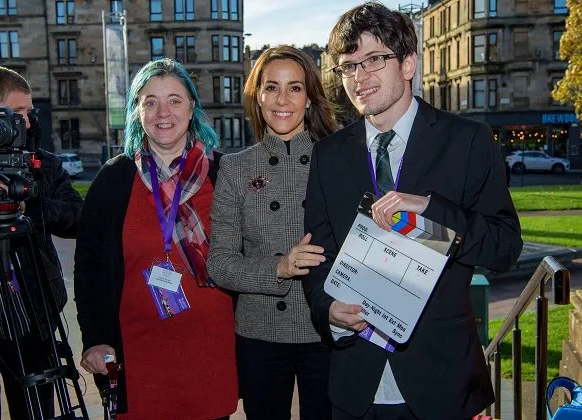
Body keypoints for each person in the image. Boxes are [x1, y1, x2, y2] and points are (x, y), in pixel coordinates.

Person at [302, 3, 523, 420]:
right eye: (348, 66)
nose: (359, 77)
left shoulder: (469, 140)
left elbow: (504, 249)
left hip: (444, 384)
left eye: (373, 60)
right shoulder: (328, 156)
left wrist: (431, 211)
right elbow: (319, 257)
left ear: (407, 63)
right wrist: (327, 309)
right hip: (356, 386)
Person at [74, 58, 238, 419]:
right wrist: (94, 338)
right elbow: (89, 269)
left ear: (192, 107)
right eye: (150, 101)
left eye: (174, 100)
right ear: (137, 110)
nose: (163, 112)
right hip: (137, 358)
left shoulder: (226, 174)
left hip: (211, 356)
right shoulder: (113, 179)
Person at [207, 46, 338, 420]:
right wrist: (278, 268)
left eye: (295, 88)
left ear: (310, 97)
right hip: (260, 331)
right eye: (271, 88)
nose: (282, 99)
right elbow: (220, 263)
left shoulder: (337, 158)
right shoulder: (234, 168)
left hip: (326, 327)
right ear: (257, 96)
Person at [0, 65, 83, 419]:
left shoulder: (44, 165)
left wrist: (35, 203)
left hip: (32, 316)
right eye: (18, 113)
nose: (27, 122)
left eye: (30, 112)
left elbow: (78, 217)